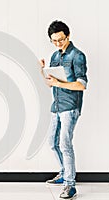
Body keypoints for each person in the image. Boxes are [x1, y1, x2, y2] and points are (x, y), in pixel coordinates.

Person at [39, 20, 88, 199]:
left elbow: (82, 85)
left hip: (70, 107)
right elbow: (49, 84)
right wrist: (42, 71)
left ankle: (70, 185)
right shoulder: (54, 55)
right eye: (54, 41)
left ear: (68, 36)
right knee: (52, 143)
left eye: (61, 40)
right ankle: (64, 172)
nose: (58, 43)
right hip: (57, 105)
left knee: (65, 144)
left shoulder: (77, 55)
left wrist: (59, 82)